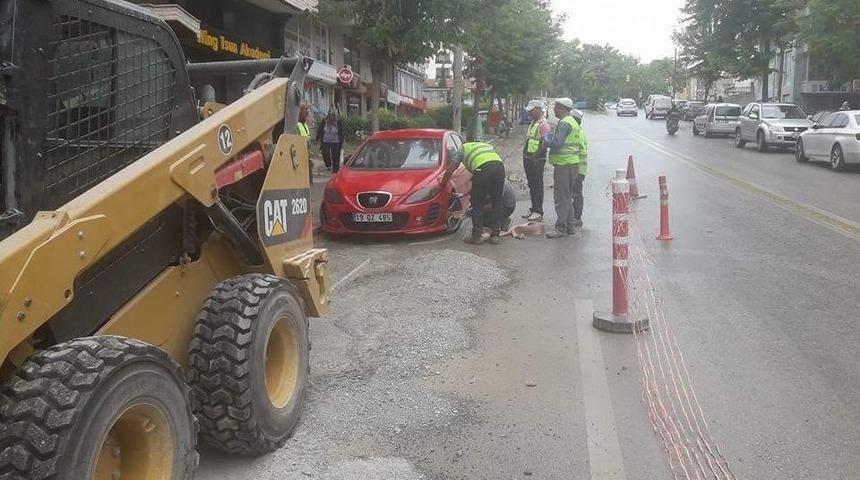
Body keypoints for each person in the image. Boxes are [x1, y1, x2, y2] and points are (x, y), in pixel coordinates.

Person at [442, 142, 506, 245]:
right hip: (499, 167)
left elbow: (451, 169)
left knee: (477, 204)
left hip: (483, 169)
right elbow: (478, 184)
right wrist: (467, 193)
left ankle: (476, 236)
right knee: (497, 202)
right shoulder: (484, 145)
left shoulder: (461, 149)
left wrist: (442, 183)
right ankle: (495, 236)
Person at [545, 97, 588, 238]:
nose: (554, 109)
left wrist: (546, 140)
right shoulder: (572, 122)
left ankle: (560, 228)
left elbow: (557, 144)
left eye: (556, 106)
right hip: (572, 165)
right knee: (567, 196)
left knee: (561, 197)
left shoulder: (564, 124)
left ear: (562, 108)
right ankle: (570, 226)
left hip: (564, 165)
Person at [521, 100, 551, 221]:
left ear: (538, 109)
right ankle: (533, 208)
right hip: (529, 158)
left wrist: (534, 156)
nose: (529, 112)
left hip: (536, 160)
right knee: (532, 184)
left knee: (537, 185)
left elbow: (545, 143)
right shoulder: (533, 123)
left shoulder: (544, 124)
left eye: (531, 110)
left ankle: (538, 211)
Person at [296, 104, 312, 182]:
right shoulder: (298, 125)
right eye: (308, 116)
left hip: (306, 153)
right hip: (301, 153)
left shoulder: (305, 125)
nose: (310, 118)